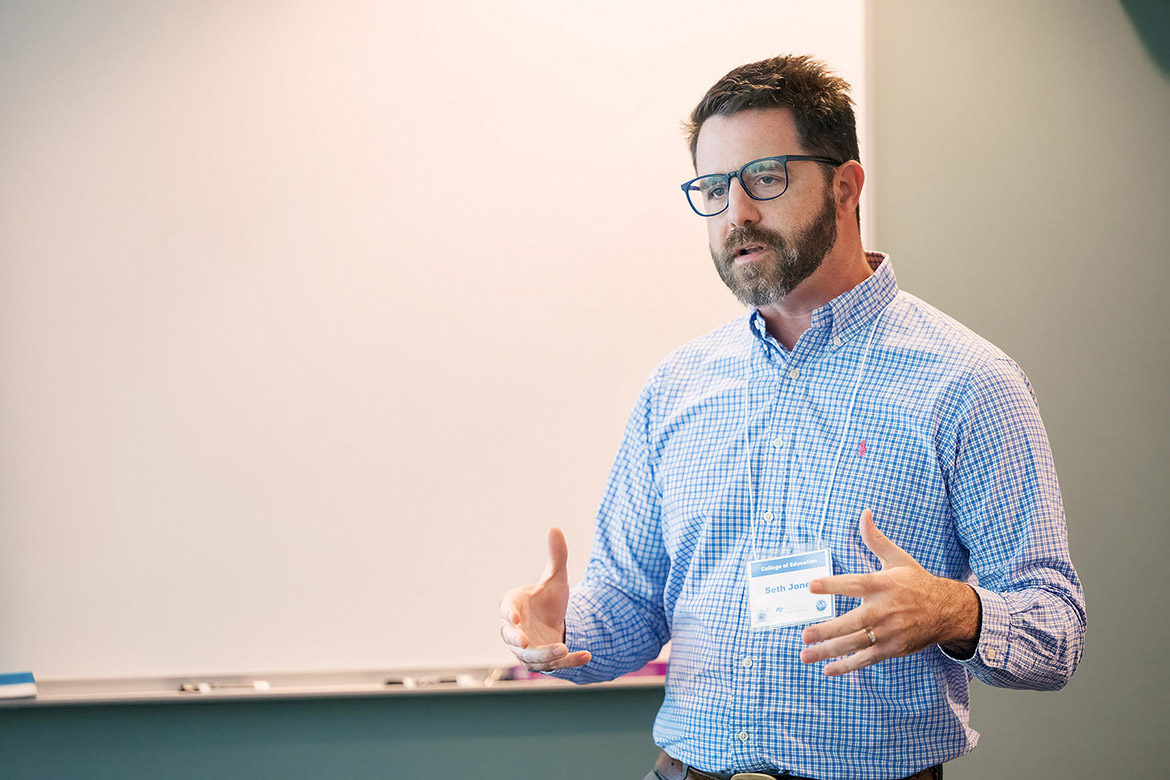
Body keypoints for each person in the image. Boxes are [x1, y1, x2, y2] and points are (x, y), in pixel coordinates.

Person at [499, 54, 1085, 780]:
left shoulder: (969, 383)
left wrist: (952, 609)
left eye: (765, 179)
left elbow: (1054, 631)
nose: (736, 213)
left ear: (846, 186)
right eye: (712, 189)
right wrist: (561, 629)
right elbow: (631, 607)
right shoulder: (676, 388)